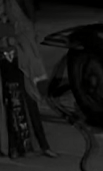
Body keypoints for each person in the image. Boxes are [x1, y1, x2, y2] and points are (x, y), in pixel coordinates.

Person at [0, 0, 57, 159]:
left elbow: (26, 31)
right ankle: (14, 147)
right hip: (7, 64)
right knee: (11, 104)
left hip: (22, 62)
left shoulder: (16, 14)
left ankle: (42, 145)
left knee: (29, 101)